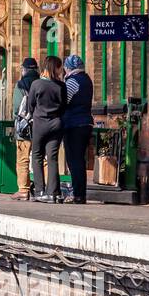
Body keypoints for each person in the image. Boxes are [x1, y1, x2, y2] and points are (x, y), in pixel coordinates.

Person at [25, 55, 67, 202]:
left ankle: (39, 191)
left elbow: (30, 105)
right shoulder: (61, 86)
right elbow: (64, 107)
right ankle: (53, 193)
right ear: (54, 67)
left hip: (39, 124)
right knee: (52, 157)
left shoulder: (36, 84)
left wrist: (36, 113)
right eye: (59, 67)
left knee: (37, 156)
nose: (60, 70)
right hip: (56, 123)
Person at [61, 54, 94, 204]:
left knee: (74, 161)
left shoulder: (72, 81)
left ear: (68, 68)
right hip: (86, 122)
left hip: (74, 124)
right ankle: (80, 193)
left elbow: (64, 101)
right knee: (79, 160)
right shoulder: (87, 79)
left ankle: (78, 194)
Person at [12, 57, 40, 201]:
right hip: (40, 127)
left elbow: (17, 108)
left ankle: (23, 190)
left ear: (24, 70)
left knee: (23, 159)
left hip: (24, 129)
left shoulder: (20, 84)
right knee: (42, 159)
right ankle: (43, 188)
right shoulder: (42, 82)